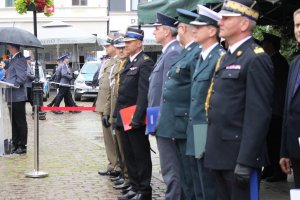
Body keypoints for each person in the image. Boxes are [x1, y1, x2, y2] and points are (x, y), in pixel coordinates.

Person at [204, 0, 274, 199]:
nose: (220, 22)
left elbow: (258, 114)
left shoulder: (256, 58)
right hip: (219, 152)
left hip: (238, 156)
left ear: (244, 24)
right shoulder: (226, 57)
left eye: (226, 18)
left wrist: (246, 160)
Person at [156, 9, 200, 200]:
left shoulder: (196, 53)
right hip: (182, 125)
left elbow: (197, 96)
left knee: (197, 178)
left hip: (192, 126)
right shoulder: (187, 53)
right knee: (188, 177)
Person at [186, 5, 225, 199]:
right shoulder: (201, 57)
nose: (193, 30)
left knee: (208, 186)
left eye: (199, 27)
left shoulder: (219, 57)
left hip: (206, 128)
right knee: (197, 183)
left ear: (212, 31)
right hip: (195, 127)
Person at [114, 27, 154, 200]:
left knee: (140, 155)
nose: (126, 45)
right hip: (124, 116)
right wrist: (117, 116)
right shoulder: (129, 62)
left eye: (130, 42)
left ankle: (143, 190)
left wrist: (138, 118)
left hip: (135, 117)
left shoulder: (144, 62)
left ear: (139, 43)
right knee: (129, 154)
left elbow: (143, 93)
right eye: (126, 42)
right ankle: (134, 185)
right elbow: (122, 91)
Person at [148, 12, 183, 200]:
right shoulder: (167, 52)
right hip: (160, 118)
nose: (154, 31)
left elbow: (168, 92)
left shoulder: (174, 52)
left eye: (157, 28)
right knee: (168, 166)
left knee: (171, 167)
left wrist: (161, 120)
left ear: (168, 31)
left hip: (167, 120)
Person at [261, 33, 289, 182]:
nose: (262, 45)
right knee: (269, 142)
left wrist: (275, 110)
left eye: (264, 43)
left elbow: (279, 89)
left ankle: (279, 172)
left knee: (276, 142)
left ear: (271, 45)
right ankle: (270, 168)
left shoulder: (279, 62)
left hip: (276, 110)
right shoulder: (271, 60)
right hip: (269, 109)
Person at [105, 36, 130, 190]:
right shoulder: (119, 65)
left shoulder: (133, 64)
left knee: (128, 149)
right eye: (119, 48)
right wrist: (108, 112)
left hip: (128, 112)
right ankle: (126, 176)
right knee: (120, 146)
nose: (121, 51)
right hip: (117, 111)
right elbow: (111, 91)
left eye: (123, 48)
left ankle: (130, 178)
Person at [280, 8, 300, 189]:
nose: (299, 29)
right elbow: (288, 110)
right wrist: (284, 151)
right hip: (295, 150)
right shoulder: (294, 64)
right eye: (297, 25)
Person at [96, 34, 121, 178]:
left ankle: (117, 165)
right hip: (104, 106)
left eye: (108, 45)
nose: (106, 48)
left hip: (111, 106)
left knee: (114, 138)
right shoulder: (108, 61)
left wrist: (107, 109)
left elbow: (112, 88)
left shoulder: (118, 62)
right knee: (108, 139)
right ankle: (112, 164)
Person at [5, 43, 28, 154]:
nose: (8, 49)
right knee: (13, 122)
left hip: (18, 96)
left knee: (20, 122)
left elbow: (22, 78)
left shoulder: (20, 59)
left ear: (13, 47)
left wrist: (12, 84)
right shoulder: (13, 59)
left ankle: (22, 146)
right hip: (11, 95)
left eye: (9, 47)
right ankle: (15, 143)